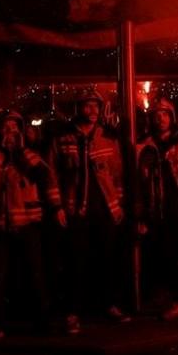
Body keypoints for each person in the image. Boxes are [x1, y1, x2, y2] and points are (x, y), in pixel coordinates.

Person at [49, 88, 128, 334]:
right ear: (78, 109)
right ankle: (73, 312)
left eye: (96, 106)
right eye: (87, 105)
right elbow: (52, 174)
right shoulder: (62, 139)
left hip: (104, 209)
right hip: (76, 209)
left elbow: (118, 173)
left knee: (108, 259)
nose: (92, 110)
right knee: (76, 261)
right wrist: (57, 206)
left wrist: (119, 204)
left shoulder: (108, 138)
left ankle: (110, 305)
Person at [0, 110, 63, 339]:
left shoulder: (30, 155)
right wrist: (1, 151)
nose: (11, 132)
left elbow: (43, 176)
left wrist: (21, 151)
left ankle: (42, 321)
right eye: (6, 128)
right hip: (0, 225)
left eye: (14, 127)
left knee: (36, 274)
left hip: (29, 223)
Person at [135, 97, 178, 321]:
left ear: (172, 118)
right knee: (158, 254)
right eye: (157, 115)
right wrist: (141, 214)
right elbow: (139, 183)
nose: (161, 119)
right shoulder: (144, 147)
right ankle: (163, 295)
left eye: (165, 114)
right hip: (155, 208)